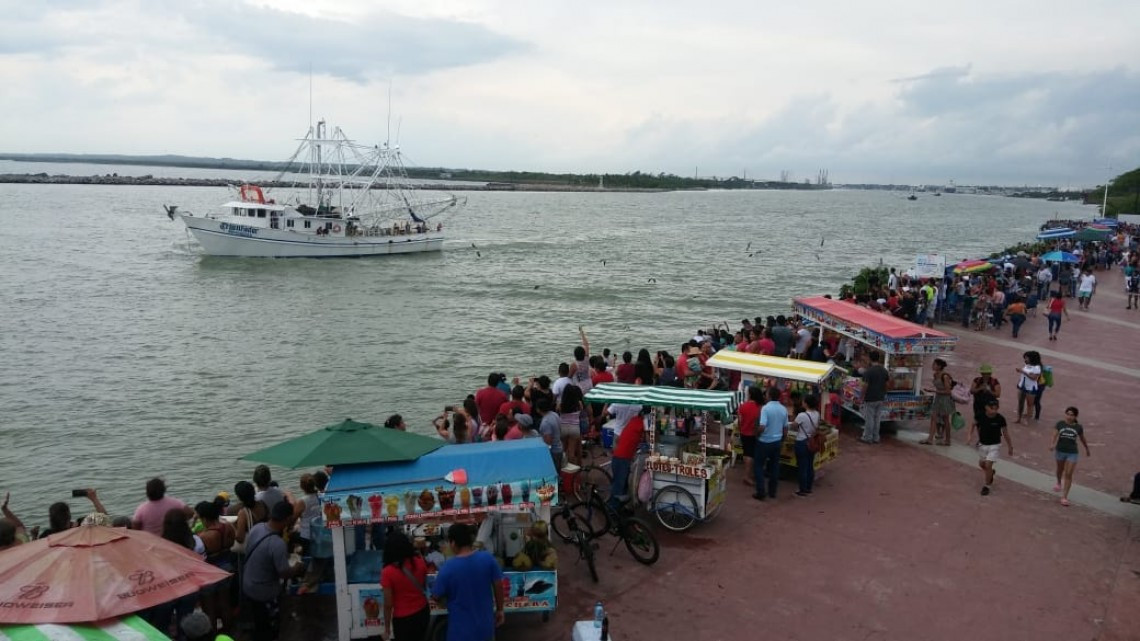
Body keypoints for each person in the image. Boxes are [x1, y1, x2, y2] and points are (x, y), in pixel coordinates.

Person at [430, 523, 505, 641]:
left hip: (460, 632)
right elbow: (498, 586)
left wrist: (444, 602)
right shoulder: (488, 558)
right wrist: (500, 610)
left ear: (453, 543)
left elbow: (435, 595)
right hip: (485, 628)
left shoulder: (447, 568)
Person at [242, 501, 305, 641]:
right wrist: (297, 568)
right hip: (264, 591)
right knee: (270, 626)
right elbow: (284, 573)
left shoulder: (257, 528)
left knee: (259, 620)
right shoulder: (277, 544)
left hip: (247, 584)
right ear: (288, 519)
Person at [195, 500, 236, 636]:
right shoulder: (228, 527)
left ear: (204, 518)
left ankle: (212, 635)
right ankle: (229, 631)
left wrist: (193, 524)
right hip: (227, 568)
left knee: (209, 608)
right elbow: (232, 542)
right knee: (225, 603)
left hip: (210, 574)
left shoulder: (204, 536)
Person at [381, 531, 430, 641]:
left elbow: (388, 604)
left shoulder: (387, 572)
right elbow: (424, 584)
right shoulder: (420, 561)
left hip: (403, 619)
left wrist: (387, 629)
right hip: (423, 612)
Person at [967, 400, 1013, 496]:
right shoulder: (980, 416)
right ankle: (991, 473)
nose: (994, 411)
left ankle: (987, 486)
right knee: (982, 464)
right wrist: (969, 436)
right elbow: (973, 424)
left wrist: (1010, 446)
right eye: (992, 408)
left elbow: (1005, 433)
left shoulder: (1000, 419)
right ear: (986, 407)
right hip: (983, 444)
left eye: (996, 409)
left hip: (995, 445)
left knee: (988, 464)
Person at [1050, 406, 1091, 507]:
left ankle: (1064, 497)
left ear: (1075, 416)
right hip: (1060, 451)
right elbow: (1054, 435)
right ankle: (1059, 482)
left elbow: (1082, 439)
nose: (1069, 416)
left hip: (1072, 453)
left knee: (1068, 473)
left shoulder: (1078, 427)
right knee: (1060, 469)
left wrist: (1087, 448)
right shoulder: (1060, 424)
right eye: (1067, 414)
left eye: (1071, 415)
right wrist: (1052, 444)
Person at [608, 407, 648, 510]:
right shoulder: (643, 423)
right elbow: (649, 439)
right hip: (622, 458)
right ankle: (613, 511)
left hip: (620, 456)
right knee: (619, 486)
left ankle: (620, 509)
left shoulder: (634, 420)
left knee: (622, 484)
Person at [754, 387, 788, 500]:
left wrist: (757, 434)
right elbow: (785, 428)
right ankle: (772, 492)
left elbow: (762, 426)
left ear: (769, 395)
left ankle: (761, 491)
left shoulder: (765, 408)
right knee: (774, 467)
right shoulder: (784, 409)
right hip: (777, 441)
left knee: (758, 466)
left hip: (764, 441)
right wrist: (783, 439)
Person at [921, 358, 955, 446]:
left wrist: (934, 391)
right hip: (938, 398)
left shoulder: (945, 376)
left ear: (939, 366)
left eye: (934, 364)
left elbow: (948, 391)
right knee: (933, 417)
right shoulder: (935, 375)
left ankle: (947, 440)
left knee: (945, 419)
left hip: (945, 399)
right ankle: (930, 439)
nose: (933, 366)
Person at [793, 395, 821, 497]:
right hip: (812, 441)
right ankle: (808, 487)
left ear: (806, 403)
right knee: (810, 465)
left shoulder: (802, 415)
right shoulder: (817, 414)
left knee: (802, 467)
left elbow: (794, 426)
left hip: (802, 441)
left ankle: (802, 489)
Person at [860, 351, 889, 444]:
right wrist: (884, 392)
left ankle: (868, 437)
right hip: (880, 397)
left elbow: (865, 386)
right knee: (877, 418)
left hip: (870, 397)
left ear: (870, 358)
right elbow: (887, 384)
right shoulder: (884, 370)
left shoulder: (869, 371)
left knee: (870, 419)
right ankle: (876, 437)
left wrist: (862, 396)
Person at [737, 385, 763, 486]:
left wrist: (741, 429)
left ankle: (747, 475)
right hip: (756, 434)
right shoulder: (760, 408)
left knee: (747, 454)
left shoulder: (743, 406)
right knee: (753, 454)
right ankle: (749, 475)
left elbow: (740, 420)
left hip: (745, 432)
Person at [292, 473, 322, 556]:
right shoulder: (319, 496)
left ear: (301, 487)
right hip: (318, 533)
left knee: (291, 535)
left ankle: (298, 553)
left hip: (306, 536)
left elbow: (293, 519)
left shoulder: (302, 501)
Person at [233, 480, 268, 550]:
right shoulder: (262, 504)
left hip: (256, 545)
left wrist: (232, 527)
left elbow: (240, 539)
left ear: (240, 497)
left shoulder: (243, 513)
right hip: (266, 539)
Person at [558, 383, 586, 465]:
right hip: (574, 428)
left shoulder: (560, 404)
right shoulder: (579, 403)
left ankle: (561, 467)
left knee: (563, 449)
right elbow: (581, 411)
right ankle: (572, 471)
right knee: (572, 451)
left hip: (563, 428)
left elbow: (557, 410)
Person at [536, 396, 564, 471]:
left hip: (553, 452)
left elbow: (548, 442)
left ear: (538, 409)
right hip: (559, 448)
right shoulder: (554, 414)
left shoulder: (545, 423)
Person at [1014, 351, 1042, 424]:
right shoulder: (1026, 365)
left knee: (1030, 404)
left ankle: (1027, 420)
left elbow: (1034, 378)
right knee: (1020, 402)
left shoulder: (1037, 367)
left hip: (1030, 388)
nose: (1025, 359)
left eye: (1026, 358)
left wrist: (1023, 372)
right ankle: (1019, 418)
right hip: (1022, 386)